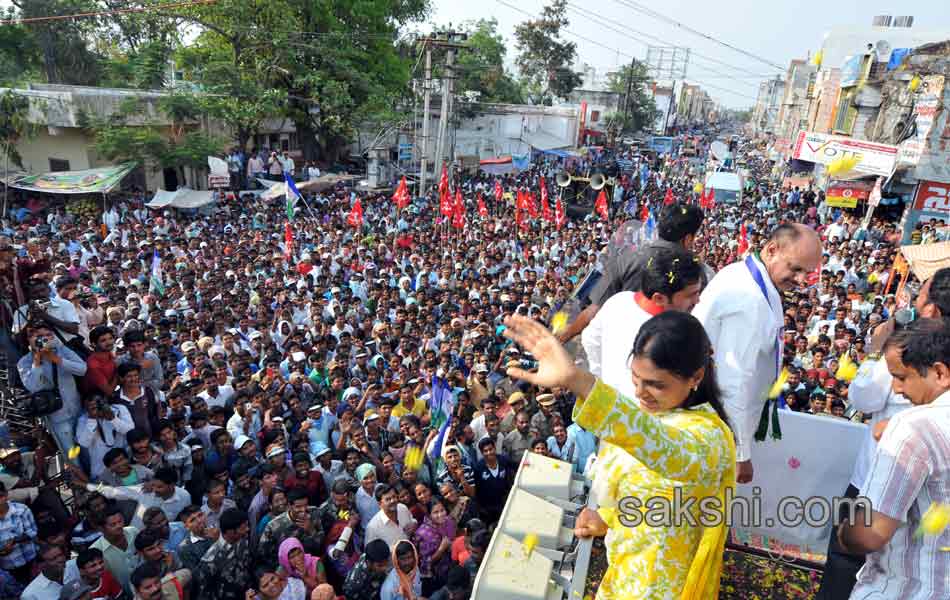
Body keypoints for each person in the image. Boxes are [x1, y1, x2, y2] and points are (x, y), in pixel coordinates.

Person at [501, 312, 736, 599]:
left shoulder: (709, 437)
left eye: (655, 384)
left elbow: (668, 452)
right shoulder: (653, 418)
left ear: (696, 377)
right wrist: (609, 518)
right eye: (635, 378)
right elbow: (656, 501)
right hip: (623, 578)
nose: (640, 393)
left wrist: (579, 381)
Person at [817, 267, 950, 599]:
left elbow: (868, 535)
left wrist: (878, 349)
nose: (898, 388)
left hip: (900, 581)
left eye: (901, 378)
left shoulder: (909, 350)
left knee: (845, 561)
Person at [693, 223, 821, 483]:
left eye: (806, 273)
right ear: (771, 250)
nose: (800, 280)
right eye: (795, 268)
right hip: (720, 433)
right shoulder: (748, 296)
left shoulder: (754, 279)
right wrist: (740, 453)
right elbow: (732, 381)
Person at [558, 202, 708, 343]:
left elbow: (594, 310)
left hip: (618, 345)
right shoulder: (696, 272)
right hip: (665, 353)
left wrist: (562, 338)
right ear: (688, 238)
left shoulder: (627, 259)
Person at [17, 322, 86, 456]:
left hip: (78, 410)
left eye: (48, 335)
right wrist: (37, 360)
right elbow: (33, 386)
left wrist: (56, 359)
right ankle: (79, 475)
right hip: (57, 417)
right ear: (29, 340)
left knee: (86, 449)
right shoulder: (24, 362)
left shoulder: (62, 350)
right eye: (39, 337)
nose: (45, 339)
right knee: (72, 454)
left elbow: (82, 369)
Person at [195, 508, 252, 600]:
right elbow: (204, 594)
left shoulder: (242, 540)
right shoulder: (210, 560)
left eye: (247, 526)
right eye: (243, 528)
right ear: (231, 532)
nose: (247, 529)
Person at [412, 497, 456, 595]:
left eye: (442, 510)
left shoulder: (449, 521)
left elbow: (453, 539)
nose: (440, 515)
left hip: (451, 567)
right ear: (429, 514)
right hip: (435, 578)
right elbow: (424, 564)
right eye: (435, 512)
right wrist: (441, 549)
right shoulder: (422, 534)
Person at [0, 480, 38, 584]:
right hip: (8, 568)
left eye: (0, 496)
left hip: (32, 559)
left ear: (6, 494)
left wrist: (14, 541)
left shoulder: (21, 510)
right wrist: (2, 552)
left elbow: (33, 532)